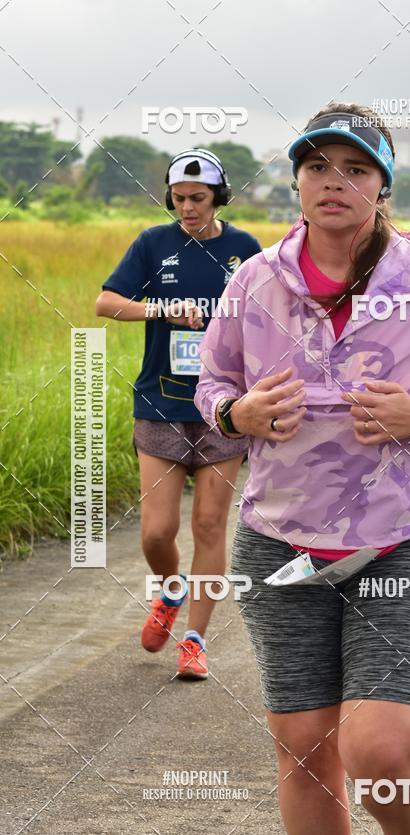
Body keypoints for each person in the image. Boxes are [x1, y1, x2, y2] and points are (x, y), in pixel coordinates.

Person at [195, 103, 410, 835]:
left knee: (382, 750)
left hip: (397, 540)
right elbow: (212, 384)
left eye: (356, 169)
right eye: (318, 166)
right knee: (304, 748)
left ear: (381, 187)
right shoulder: (254, 280)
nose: (334, 182)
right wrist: (238, 413)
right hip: (280, 547)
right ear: (297, 180)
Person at [96, 149, 260, 680]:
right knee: (156, 531)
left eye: (199, 198)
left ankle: (195, 639)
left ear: (219, 197)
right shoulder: (152, 243)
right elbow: (106, 302)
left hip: (223, 408)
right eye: (179, 198)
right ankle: (169, 591)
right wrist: (161, 308)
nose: (188, 208)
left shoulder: (244, 250)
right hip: (160, 404)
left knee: (209, 524)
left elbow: (267, 318)